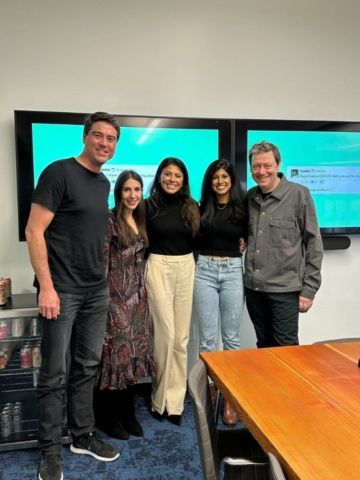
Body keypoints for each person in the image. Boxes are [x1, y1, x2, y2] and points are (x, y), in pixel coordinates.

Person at [25, 112, 121, 480]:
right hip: (60, 290)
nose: (104, 143)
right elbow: (35, 231)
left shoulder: (102, 183)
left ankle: (82, 435)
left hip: (95, 289)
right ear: (85, 137)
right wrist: (46, 287)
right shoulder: (58, 172)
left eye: (111, 139)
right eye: (98, 135)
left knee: (86, 368)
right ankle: (49, 451)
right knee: (53, 372)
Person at [94, 170, 156, 440]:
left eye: (137, 189)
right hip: (114, 298)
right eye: (127, 190)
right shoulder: (109, 220)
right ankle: (108, 417)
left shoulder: (140, 219)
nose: (132, 195)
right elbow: (102, 262)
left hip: (138, 301)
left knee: (131, 356)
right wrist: (103, 300)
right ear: (118, 192)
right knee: (114, 356)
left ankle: (128, 413)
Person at [245, 140, 323, 348]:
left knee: (286, 350)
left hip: (285, 291)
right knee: (263, 346)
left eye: (267, 165)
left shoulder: (299, 194)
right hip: (254, 289)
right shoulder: (250, 197)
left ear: (278, 165)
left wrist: (309, 289)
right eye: (256, 166)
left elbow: (314, 243)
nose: (262, 171)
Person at [144, 157, 200, 426]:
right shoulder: (147, 206)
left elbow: (202, 238)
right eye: (167, 174)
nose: (172, 179)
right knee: (164, 337)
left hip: (186, 266)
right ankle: (159, 400)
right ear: (159, 177)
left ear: (184, 180)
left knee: (181, 339)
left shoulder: (192, 207)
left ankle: (175, 404)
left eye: (178, 175)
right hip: (158, 267)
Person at [193, 159, 247, 427]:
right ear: (209, 181)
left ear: (232, 180)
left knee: (231, 341)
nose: (220, 181)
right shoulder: (201, 208)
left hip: (233, 272)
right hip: (204, 270)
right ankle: (208, 391)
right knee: (207, 341)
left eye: (225, 176)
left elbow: (249, 237)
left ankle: (229, 397)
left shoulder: (243, 209)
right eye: (215, 177)